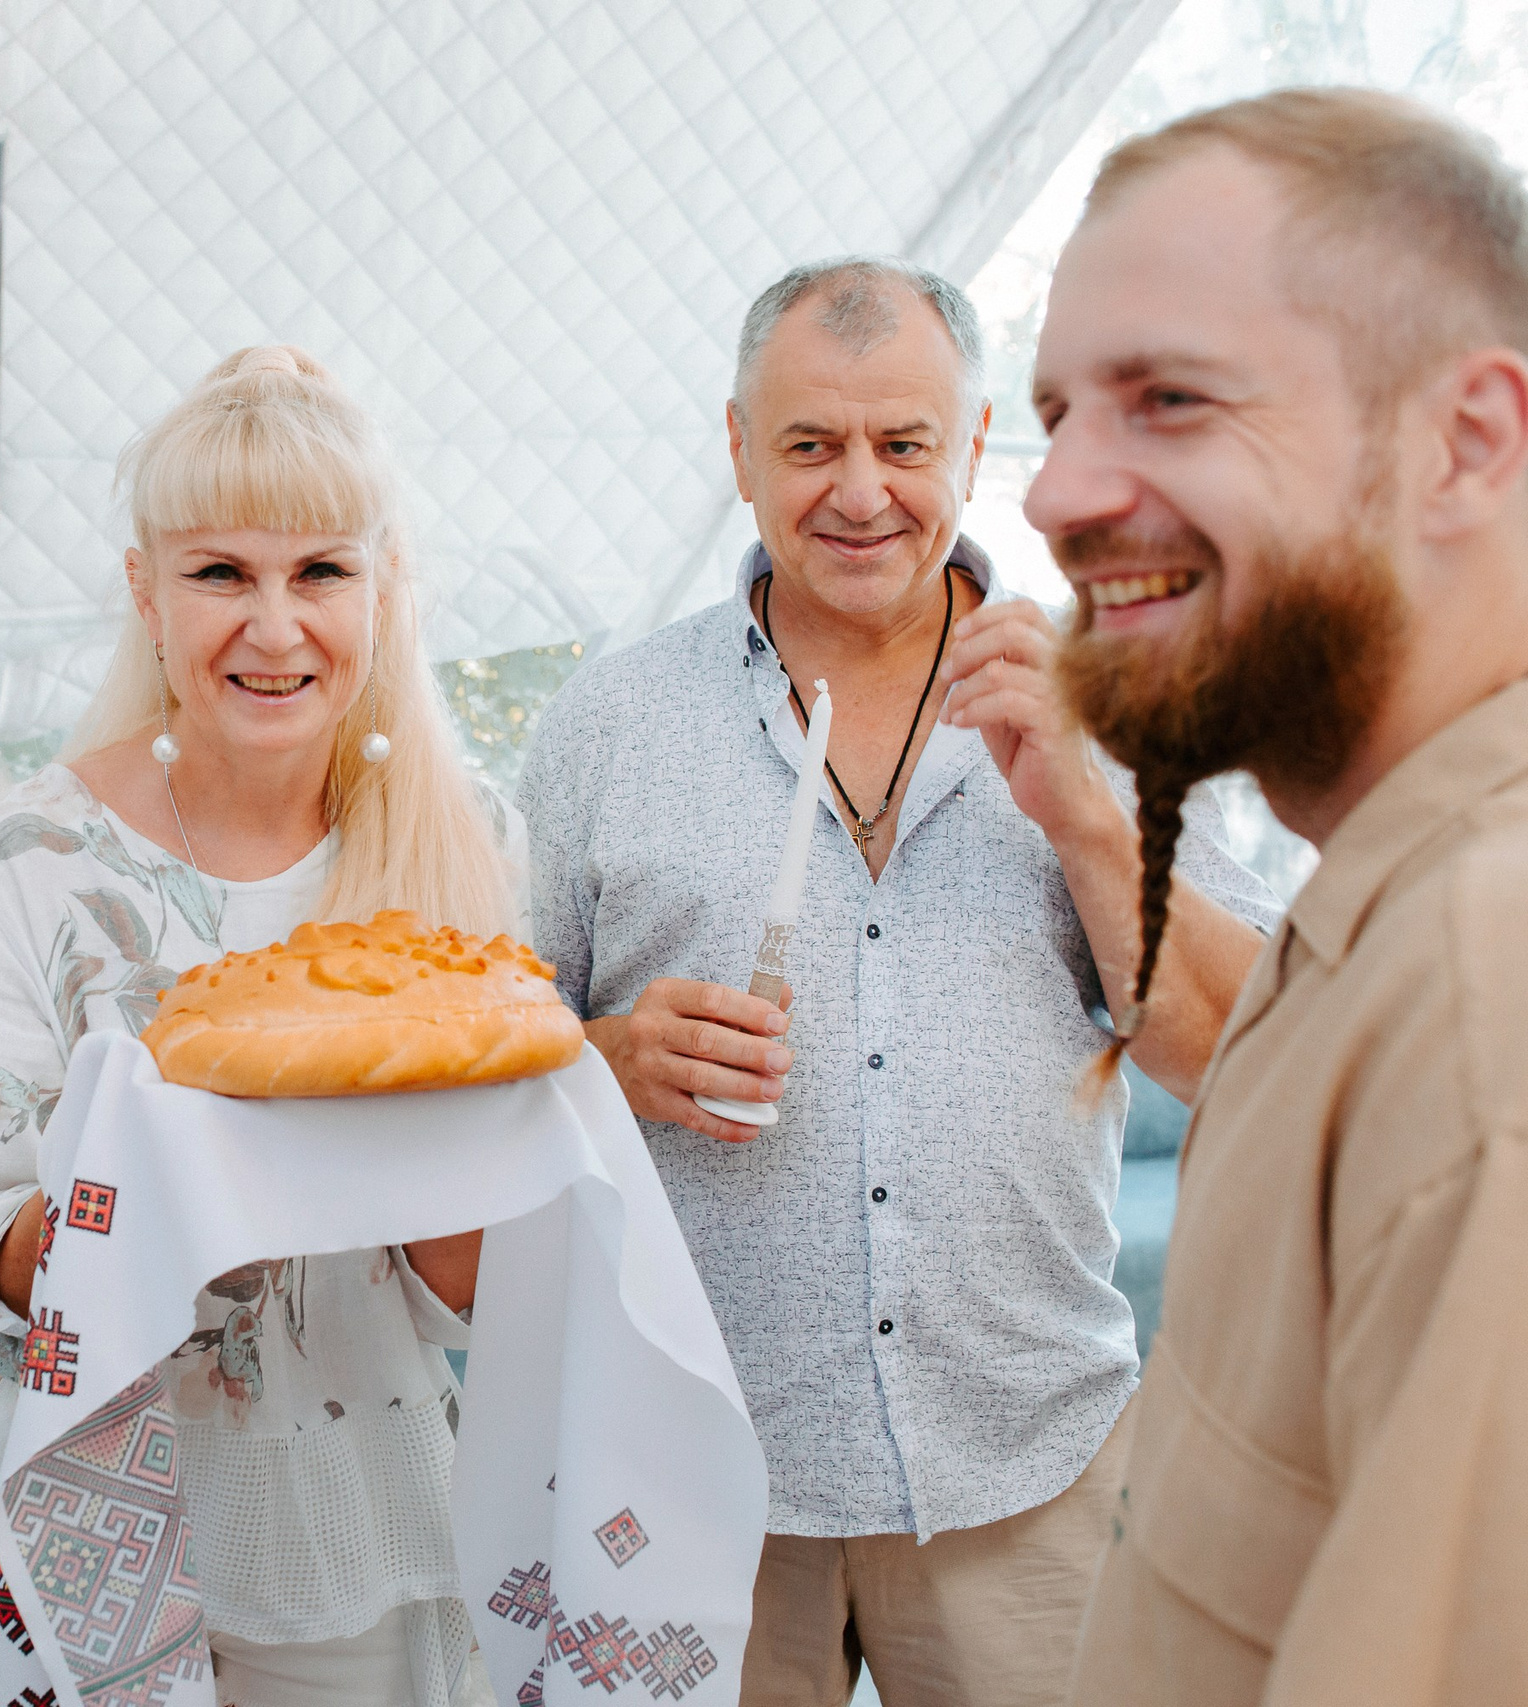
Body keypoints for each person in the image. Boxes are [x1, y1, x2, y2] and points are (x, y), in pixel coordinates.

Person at [515, 258, 1281, 1707]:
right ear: (738, 448)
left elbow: (1240, 1050)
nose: (859, 490)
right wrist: (606, 1054)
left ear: (973, 445)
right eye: (810, 444)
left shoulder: (1121, 698)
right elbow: (491, 1058)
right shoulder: (606, 724)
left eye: (904, 444)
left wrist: (1090, 818)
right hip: (697, 1469)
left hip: (1031, 1461)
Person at [0, 346, 512, 1707]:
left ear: (384, 587)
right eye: (222, 572)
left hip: (363, 1522)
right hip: (80, 1512)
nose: (275, 627)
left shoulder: (472, 854)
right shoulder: (24, 856)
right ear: (146, 592)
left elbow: (484, 1280)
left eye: (321, 572)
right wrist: (185, 1171)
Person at [1024, 88, 1528, 1706]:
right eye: (1055, 416)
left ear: (1469, 440)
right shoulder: (1375, 911)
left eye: (1168, 400)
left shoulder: (1481, 974)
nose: (1055, 495)